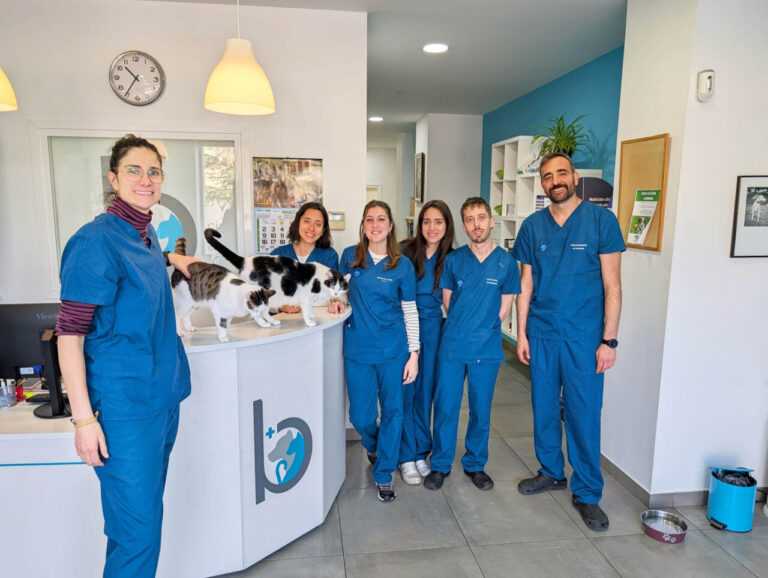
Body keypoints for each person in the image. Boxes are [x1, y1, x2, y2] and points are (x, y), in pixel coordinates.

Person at [56, 134, 198, 576]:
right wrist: (83, 420)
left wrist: (187, 263)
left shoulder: (148, 233)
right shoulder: (95, 241)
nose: (145, 179)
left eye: (153, 171)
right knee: (137, 536)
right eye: (134, 170)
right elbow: (69, 336)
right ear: (113, 177)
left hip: (161, 401)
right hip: (123, 412)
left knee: (139, 527)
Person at [513, 152, 624, 532]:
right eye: (547, 176)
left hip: (584, 337)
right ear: (542, 184)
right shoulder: (532, 227)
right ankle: (550, 471)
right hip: (543, 333)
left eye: (561, 173)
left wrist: (609, 340)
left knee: (583, 413)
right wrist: (522, 333)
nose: (555, 180)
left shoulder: (600, 221)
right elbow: (526, 284)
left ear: (575, 177)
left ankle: (588, 493)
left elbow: (613, 285)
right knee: (543, 408)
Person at [424, 197, 520, 492]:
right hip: (452, 348)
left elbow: (505, 308)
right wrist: (466, 326)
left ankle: (475, 464)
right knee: (446, 408)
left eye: (481, 217)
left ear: (491, 221)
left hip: (486, 350)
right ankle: (440, 464)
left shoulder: (506, 263)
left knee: (480, 410)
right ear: (464, 226)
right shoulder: (454, 261)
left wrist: (481, 328)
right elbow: (449, 304)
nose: (476, 224)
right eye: (469, 219)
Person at [340, 200, 419, 502]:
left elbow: (410, 311)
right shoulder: (350, 257)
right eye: (370, 219)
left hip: (394, 351)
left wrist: (414, 353)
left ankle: (384, 472)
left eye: (381, 219)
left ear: (389, 225)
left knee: (394, 411)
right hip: (358, 350)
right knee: (361, 417)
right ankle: (373, 444)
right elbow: (339, 293)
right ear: (363, 225)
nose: (375, 224)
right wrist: (337, 301)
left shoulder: (402, 265)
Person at [399, 200, 455, 484]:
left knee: (425, 395)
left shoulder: (454, 259)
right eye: (427, 222)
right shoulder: (404, 252)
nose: (432, 228)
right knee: (405, 393)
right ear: (419, 225)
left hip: (434, 330)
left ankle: (421, 451)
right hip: (404, 328)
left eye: (438, 222)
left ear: (447, 226)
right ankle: (405, 455)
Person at [271, 202, 343, 314]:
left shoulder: (329, 256)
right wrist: (280, 306)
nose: (311, 228)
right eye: (306, 221)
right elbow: (264, 292)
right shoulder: (278, 254)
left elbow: (332, 295)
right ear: (298, 223)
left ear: (323, 230)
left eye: (318, 224)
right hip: (282, 323)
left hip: (317, 321)